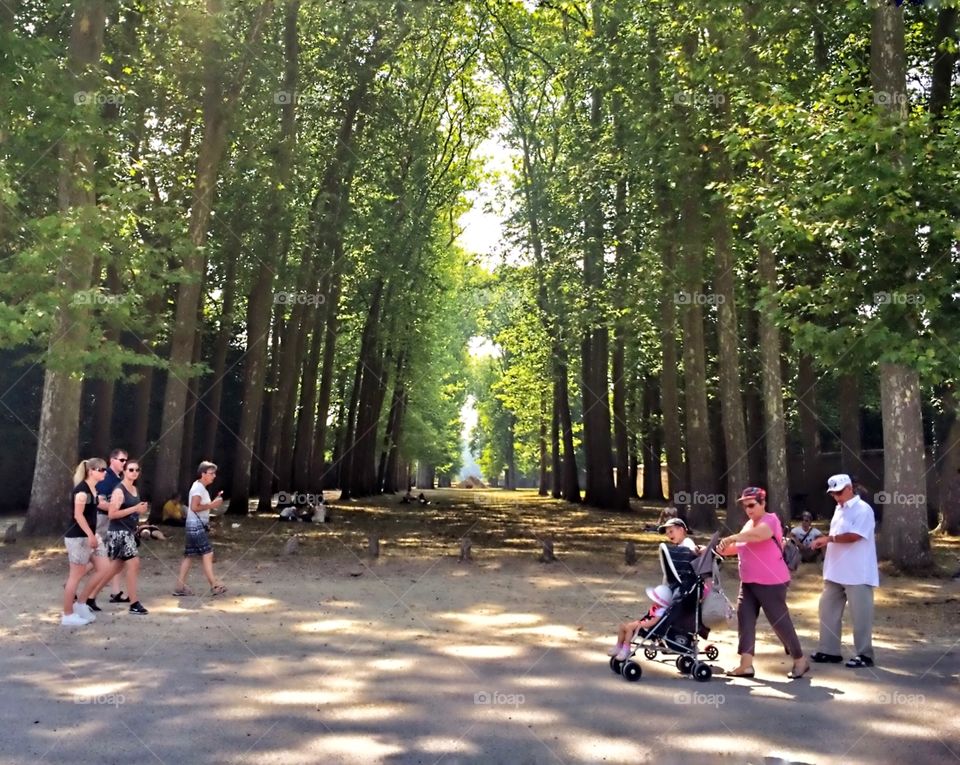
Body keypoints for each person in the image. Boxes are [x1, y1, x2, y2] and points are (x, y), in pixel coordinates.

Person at [717, 486, 810, 680]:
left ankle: (800, 660)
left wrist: (732, 537)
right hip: (748, 582)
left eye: (751, 505)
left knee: (779, 622)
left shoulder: (770, 520)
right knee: (745, 619)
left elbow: (760, 535)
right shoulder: (748, 525)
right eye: (745, 506)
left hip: (771, 582)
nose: (748, 510)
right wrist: (715, 550)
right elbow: (739, 547)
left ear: (762, 503)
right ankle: (746, 665)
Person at [808, 474, 879, 668]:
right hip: (835, 572)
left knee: (860, 616)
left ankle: (865, 655)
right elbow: (838, 535)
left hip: (857, 573)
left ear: (850, 488)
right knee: (827, 610)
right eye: (833, 494)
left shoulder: (863, 510)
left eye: (839, 492)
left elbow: (855, 536)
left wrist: (829, 539)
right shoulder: (839, 510)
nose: (836, 497)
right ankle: (829, 651)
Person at [80, 458, 150, 615]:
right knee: (134, 563)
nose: (134, 472)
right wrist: (134, 509)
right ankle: (134, 603)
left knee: (115, 568)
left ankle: (90, 598)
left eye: (137, 470)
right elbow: (112, 514)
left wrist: (140, 511)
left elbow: (133, 510)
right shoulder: (119, 490)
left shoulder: (135, 489)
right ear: (124, 471)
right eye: (131, 469)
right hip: (119, 533)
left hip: (129, 531)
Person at [62, 459, 112, 626]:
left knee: (104, 567)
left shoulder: (94, 489)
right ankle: (67, 614)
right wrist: (91, 535)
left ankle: (81, 603)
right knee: (75, 576)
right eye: (102, 469)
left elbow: (100, 505)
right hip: (78, 537)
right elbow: (78, 515)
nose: (105, 472)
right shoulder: (82, 491)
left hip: (91, 535)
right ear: (91, 471)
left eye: (105, 469)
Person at [173, 461, 227, 597]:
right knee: (207, 554)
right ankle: (214, 585)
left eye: (214, 473)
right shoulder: (198, 488)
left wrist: (212, 504)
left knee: (189, 556)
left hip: (193, 525)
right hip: (195, 526)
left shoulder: (200, 487)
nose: (214, 476)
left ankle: (179, 587)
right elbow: (194, 507)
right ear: (203, 474)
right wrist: (212, 505)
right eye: (211, 473)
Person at [607, 583, 675, 661]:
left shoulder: (661, 611)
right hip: (644, 623)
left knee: (629, 629)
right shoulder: (657, 607)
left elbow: (653, 622)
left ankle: (626, 649)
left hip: (647, 628)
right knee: (622, 626)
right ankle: (619, 646)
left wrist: (642, 624)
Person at [95, 448, 129, 603]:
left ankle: (115, 592)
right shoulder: (106, 478)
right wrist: (117, 510)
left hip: (113, 521)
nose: (124, 463)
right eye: (122, 460)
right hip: (103, 521)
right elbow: (100, 502)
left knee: (114, 556)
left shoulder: (118, 479)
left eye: (126, 460)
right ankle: (73, 583)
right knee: (97, 556)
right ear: (112, 460)